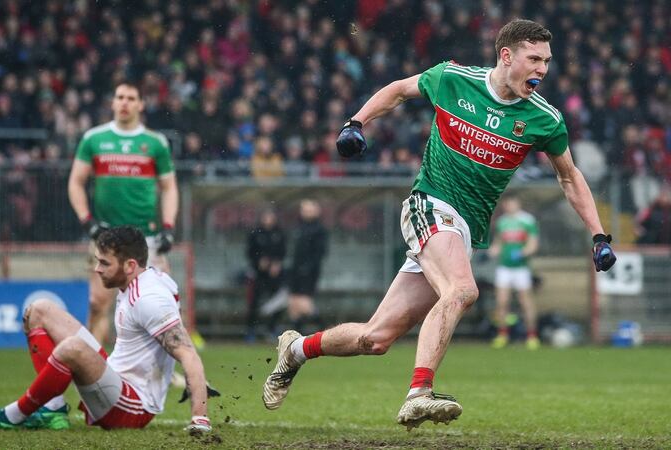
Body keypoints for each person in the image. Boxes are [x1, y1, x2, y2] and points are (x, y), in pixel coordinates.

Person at [262, 19, 617, 430]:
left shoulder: (544, 119)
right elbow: (397, 91)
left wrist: (597, 234)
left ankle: (297, 350)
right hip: (428, 205)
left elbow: (570, 177)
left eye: (547, 61)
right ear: (506, 56)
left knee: (375, 339)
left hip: (461, 232)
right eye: (534, 59)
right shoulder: (451, 78)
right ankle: (418, 393)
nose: (542, 69)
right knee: (462, 289)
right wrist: (355, 123)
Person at [0, 226, 214, 434]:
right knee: (40, 310)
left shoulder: (148, 299)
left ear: (130, 266)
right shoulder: (142, 281)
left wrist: (199, 418)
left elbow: (188, 354)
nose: (97, 269)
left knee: (72, 348)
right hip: (115, 381)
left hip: (133, 407)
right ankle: (52, 410)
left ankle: (13, 415)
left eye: (104, 263)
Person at [68, 82, 178, 346]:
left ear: (141, 104)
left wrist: (168, 227)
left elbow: (169, 187)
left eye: (131, 98)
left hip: (147, 236)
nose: (125, 102)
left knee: (159, 305)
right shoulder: (94, 139)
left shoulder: (155, 143)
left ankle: (164, 369)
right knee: (97, 303)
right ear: (113, 103)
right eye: (120, 97)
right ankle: (93, 368)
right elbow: (75, 182)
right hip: (106, 234)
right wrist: (87, 222)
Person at [487, 194, 540, 350]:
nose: (509, 206)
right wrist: (493, 251)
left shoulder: (527, 221)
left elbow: (533, 244)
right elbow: (498, 243)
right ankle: (503, 334)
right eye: (507, 204)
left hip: (521, 268)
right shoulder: (502, 222)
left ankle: (532, 336)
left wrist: (523, 253)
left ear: (517, 204)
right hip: (504, 268)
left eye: (512, 203)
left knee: (526, 302)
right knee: (502, 302)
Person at [287, 199, 329, 334]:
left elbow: (320, 252)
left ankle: (325, 329)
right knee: (293, 302)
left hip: (309, 271)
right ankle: (296, 334)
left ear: (317, 211)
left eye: (310, 210)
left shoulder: (319, 230)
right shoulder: (299, 227)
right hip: (295, 270)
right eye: (304, 210)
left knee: (304, 303)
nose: (307, 212)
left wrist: (308, 267)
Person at [245, 207, 287, 342]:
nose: (268, 220)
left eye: (270, 217)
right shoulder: (255, 233)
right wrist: (259, 261)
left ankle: (272, 328)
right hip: (258, 275)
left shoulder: (279, 233)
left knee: (279, 301)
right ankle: (251, 330)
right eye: (265, 217)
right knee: (254, 303)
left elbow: (283, 252)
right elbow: (250, 253)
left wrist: (277, 263)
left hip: (274, 276)